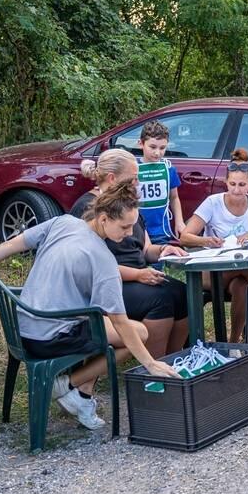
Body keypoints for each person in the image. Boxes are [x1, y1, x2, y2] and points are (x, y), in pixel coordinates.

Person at [0, 182, 179, 430]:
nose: (130, 234)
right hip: (49, 337)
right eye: (125, 226)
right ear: (103, 218)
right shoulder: (103, 259)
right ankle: (68, 385)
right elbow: (120, 322)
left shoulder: (63, 222)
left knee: (100, 323)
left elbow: (14, 244)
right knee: (138, 332)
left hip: (22, 328)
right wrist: (151, 363)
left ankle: (82, 393)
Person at [69, 149, 189, 358]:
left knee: (183, 293)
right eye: (133, 178)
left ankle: (174, 358)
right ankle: (152, 367)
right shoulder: (87, 208)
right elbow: (90, 266)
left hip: (138, 275)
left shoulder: (128, 204)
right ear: (112, 178)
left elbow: (145, 250)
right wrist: (138, 275)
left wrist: (163, 250)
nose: (137, 183)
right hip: (107, 283)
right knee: (160, 299)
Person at [180, 148, 248, 342]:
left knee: (243, 286)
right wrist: (206, 240)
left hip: (240, 271)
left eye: (242, 185)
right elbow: (185, 237)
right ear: (225, 182)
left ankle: (233, 343)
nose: (237, 190)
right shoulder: (212, 203)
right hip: (212, 272)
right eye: (232, 184)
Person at [136, 120, 186, 245]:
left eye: (162, 148)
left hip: (160, 231)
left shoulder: (168, 168)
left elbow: (174, 197)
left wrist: (179, 221)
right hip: (136, 230)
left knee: (159, 262)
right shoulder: (132, 168)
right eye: (152, 147)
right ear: (141, 144)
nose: (157, 152)